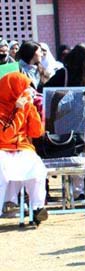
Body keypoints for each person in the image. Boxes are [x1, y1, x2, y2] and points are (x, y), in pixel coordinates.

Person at [0, 72, 48, 225]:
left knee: (36, 168)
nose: (26, 91)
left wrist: (31, 108)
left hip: (22, 147)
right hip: (2, 147)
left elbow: (36, 132)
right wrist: (17, 110)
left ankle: (37, 208)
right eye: (23, 87)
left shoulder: (26, 105)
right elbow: (5, 135)